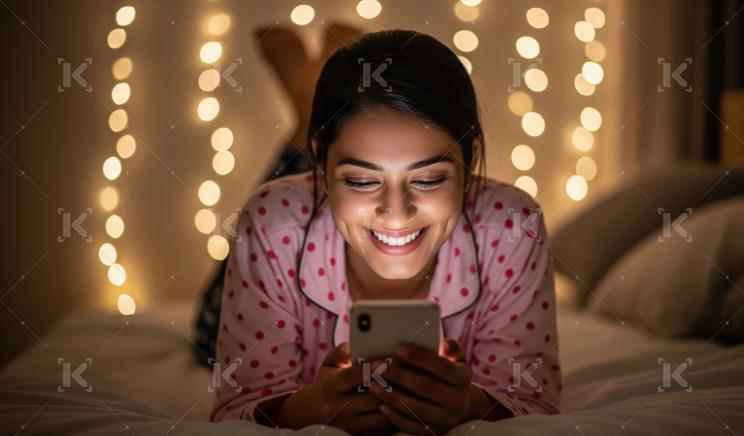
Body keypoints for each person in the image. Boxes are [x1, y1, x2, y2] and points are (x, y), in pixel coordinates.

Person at [210, 29, 560, 434]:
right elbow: (234, 407)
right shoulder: (272, 223)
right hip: (292, 209)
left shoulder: (514, 226)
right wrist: (310, 409)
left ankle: (310, 103)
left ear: (471, 161)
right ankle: (304, 109)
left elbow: (535, 403)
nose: (396, 214)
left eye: (428, 179)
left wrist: (470, 406)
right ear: (321, 166)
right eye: (361, 181)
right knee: (207, 321)